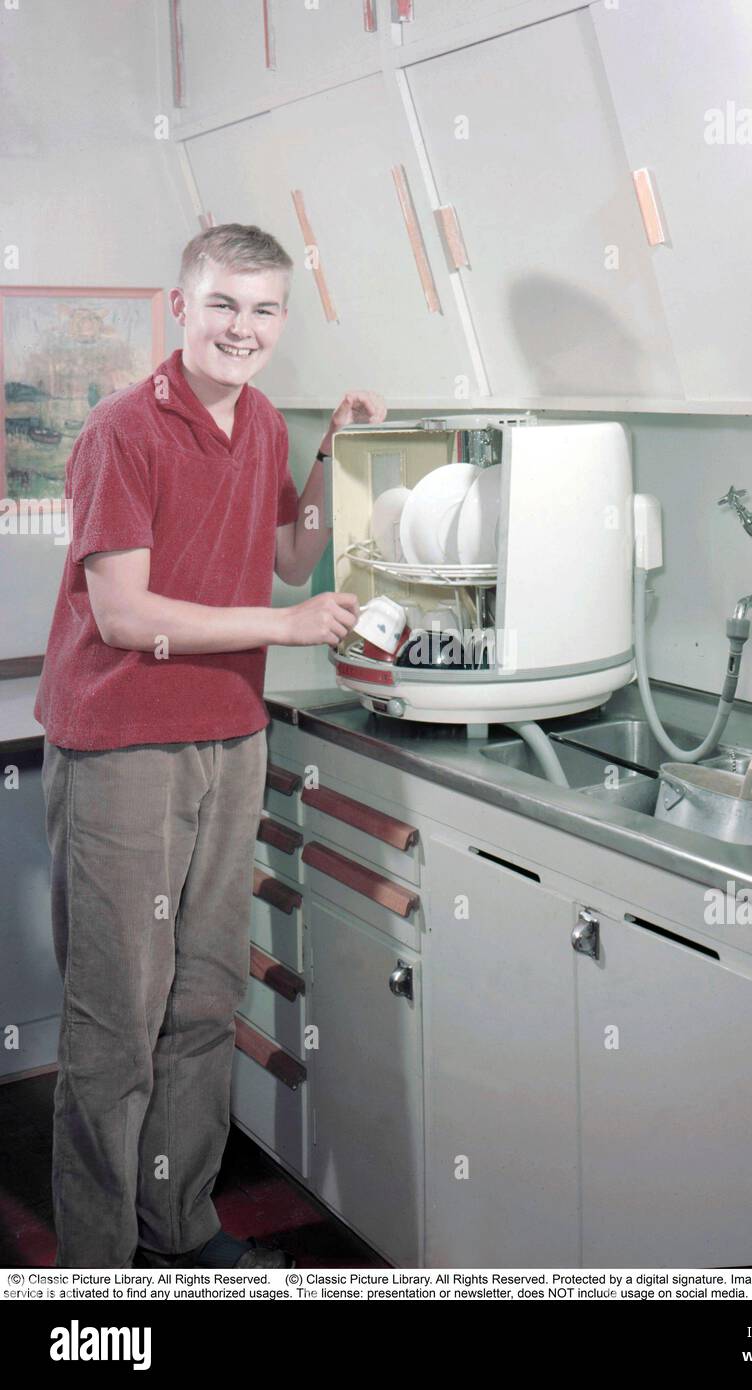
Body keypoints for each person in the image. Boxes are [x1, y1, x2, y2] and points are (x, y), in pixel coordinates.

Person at [33, 222, 385, 1268]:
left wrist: (336, 454)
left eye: (265, 308)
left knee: (202, 1004)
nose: (244, 326)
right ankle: (97, 1271)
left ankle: (178, 1231)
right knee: (116, 1025)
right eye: (224, 303)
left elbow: (289, 555)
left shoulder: (268, 422)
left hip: (231, 740)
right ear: (181, 308)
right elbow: (128, 617)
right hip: (122, 748)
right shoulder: (121, 432)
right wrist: (290, 627)